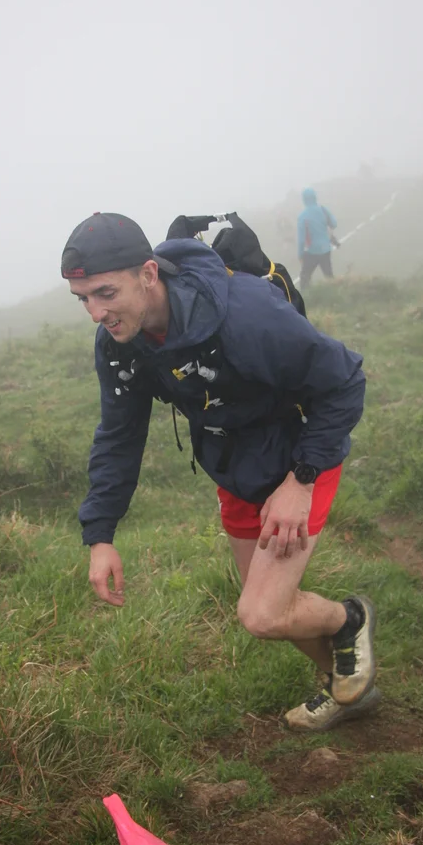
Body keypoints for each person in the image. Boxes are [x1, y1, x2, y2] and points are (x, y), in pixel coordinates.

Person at [61, 211, 380, 732]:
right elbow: (119, 437)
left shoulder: (245, 312)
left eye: (105, 293)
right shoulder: (121, 343)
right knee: (270, 604)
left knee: (262, 613)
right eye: (83, 299)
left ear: (148, 274)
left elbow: (344, 381)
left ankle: (351, 619)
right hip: (235, 464)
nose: (96, 313)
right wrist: (100, 534)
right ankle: (345, 687)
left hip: (302, 451)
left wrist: (300, 481)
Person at [297, 188, 340, 291]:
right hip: (325, 249)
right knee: (328, 275)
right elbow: (334, 224)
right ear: (315, 197)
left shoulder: (302, 216)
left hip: (311, 251)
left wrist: (300, 254)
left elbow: (301, 239)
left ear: (304, 200)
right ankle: (334, 293)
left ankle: (306, 297)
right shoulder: (323, 210)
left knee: (305, 277)